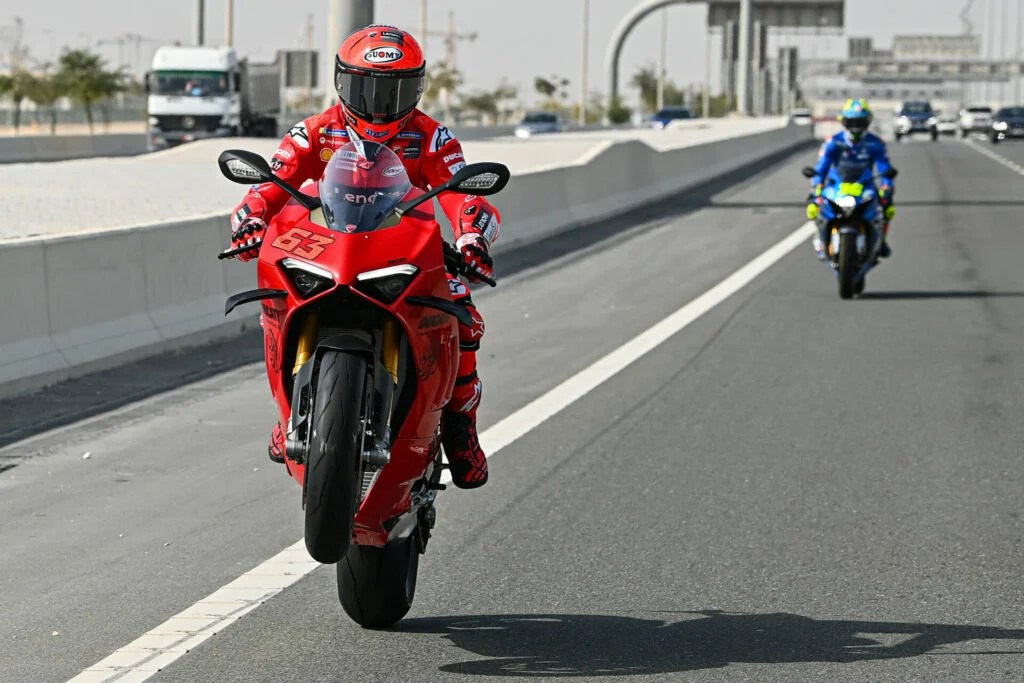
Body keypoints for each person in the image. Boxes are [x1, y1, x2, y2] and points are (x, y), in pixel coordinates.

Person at [229, 25, 499, 489]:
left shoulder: (433, 138)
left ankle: (460, 429)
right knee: (277, 300)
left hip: (405, 250)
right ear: (341, 83)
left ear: (416, 88)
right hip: (331, 244)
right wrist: (251, 219)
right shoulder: (313, 130)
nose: (379, 103)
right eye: (365, 88)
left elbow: (463, 198)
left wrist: (473, 238)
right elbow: (269, 184)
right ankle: (287, 411)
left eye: (394, 91)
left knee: (465, 318)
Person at [806, 98, 896, 259]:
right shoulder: (833, 142)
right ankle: (820, 236)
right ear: (844, 122)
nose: (855, 127)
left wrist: (887, 187)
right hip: (837, 186)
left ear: (867, 122)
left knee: (887, 210)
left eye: (859, 122)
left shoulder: (875, 144)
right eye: (852, 122)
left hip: (865, 187)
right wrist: (815, 187)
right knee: (814, 208)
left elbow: (885, 168)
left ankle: (881, 241)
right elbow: (821, 168)